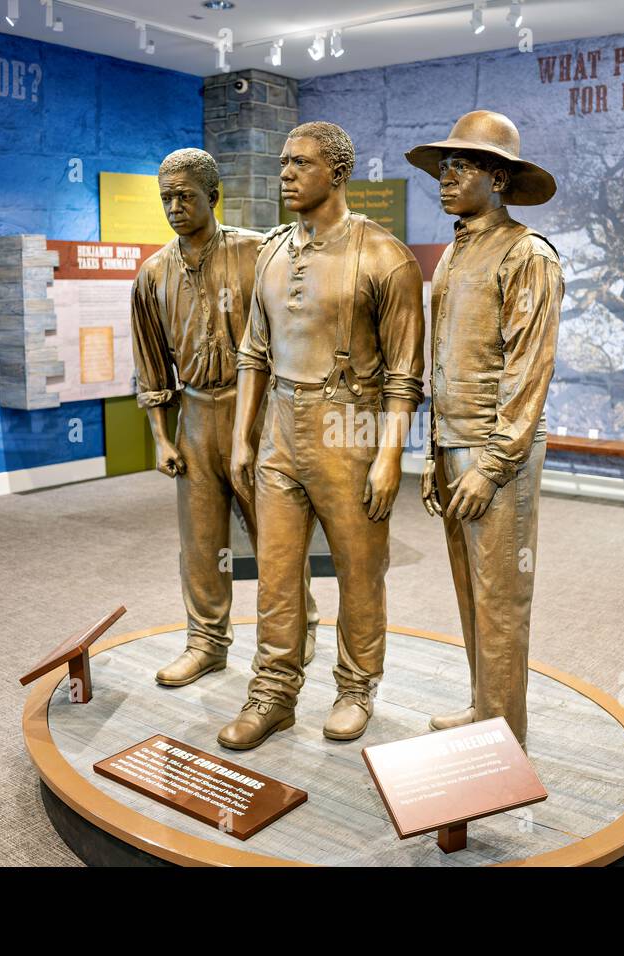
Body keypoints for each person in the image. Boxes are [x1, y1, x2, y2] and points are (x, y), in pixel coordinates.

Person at [217, 122, 425, 751]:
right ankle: (273, 693)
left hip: (350, 426)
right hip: (282, 424)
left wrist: (390, 455)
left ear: (336, 171)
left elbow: (405, 375)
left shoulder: (386, 258)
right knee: (277, 570)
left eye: (299, 162)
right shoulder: (273, 252)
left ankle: (357, 686)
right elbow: (254, 351)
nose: (284, 172)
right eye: (282, 161)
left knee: (360, 569)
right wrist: (241, 437)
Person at [130, 147, 318, 688]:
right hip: (193, 414)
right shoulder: (152, 275)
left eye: (185, 196)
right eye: (166, 198)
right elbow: (150, 367)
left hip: (255, 409)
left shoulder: (259, 254)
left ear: (213, 196)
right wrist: (161, 439)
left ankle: (297, 628)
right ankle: (206, 641)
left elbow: (292, 332)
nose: (174, 207)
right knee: (201, 540)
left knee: (276, 534)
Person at [406, 110, 564, 748]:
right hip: (454, 445)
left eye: (461, 166)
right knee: (471, 589)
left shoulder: (528, 255)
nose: (445, 178)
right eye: (443, 167)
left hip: (498, 450)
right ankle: (483, 708)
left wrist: (493, 463)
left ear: (498, 177)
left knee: (501, 600)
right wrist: (433, 453)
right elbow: (443, 360)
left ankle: (503, 738)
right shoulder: (455, 251)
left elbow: (529, 371)